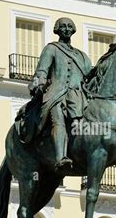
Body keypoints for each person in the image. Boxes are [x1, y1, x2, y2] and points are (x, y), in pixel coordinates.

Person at [28, 17, 92, 171]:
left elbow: (90, 76)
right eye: (62, 26)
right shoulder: (52, 49)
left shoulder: (82, 56)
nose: (66, 29)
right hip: (57, 93)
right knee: (58, 120)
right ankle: (60, 157)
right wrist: (39, 83)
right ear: (57, 29)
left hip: (79, 96)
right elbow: (42, 71)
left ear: (74, 30)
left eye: (70, 26)